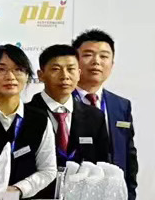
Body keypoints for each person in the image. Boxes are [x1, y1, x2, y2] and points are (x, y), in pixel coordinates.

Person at [27, 44, 111, 184]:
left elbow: (102, 164)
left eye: (71, 69)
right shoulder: (25, 115)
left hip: (82, 194)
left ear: (79, 73)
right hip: (36, 194)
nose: (65, 76)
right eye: (56, 69)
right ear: (41, 75)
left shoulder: (95, 116)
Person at [75, 28, 138, 200]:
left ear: (112, 63)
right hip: (74, 197)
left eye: (104, 56)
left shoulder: (121, 105)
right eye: (88, 55)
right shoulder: (62, 103)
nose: (96, 61)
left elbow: (129, 156)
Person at [0, 45, 57, 200]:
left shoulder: (39, 119)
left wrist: (18, 189)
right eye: (1, 69)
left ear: (27, 76)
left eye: (18, 70)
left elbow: (48, 170)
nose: (10, 76)